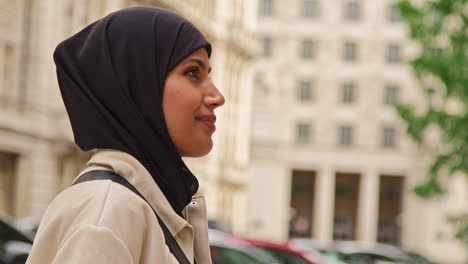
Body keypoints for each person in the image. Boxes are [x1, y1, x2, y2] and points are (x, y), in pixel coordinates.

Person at [26, 6, 224, 264]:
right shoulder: (107, 213)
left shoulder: (143, 204)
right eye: (192, 73)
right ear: (139, 84)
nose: (217, 97)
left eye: (208, 75)